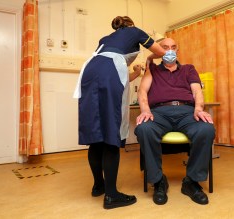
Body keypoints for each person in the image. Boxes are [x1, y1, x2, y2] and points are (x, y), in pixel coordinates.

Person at [73, 16, 166, 210]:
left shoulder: (105, 40)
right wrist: (152, 56)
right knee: (111, 131)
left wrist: (136, 72)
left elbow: (120, 76)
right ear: (130, 24)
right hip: (109, 72)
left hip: (90, 72)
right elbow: (159, 51)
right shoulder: (136, 32)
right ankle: (112, 195)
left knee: (97, 133)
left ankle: (98, 185)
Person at [134, 38, 215, 205]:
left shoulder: (188, 69)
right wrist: (145, 111)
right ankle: (158, 181)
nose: (169, 50)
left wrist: (199, 108)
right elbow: (142, 92)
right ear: (159, 51)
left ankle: (191, 182)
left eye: (173, 47)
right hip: (159, 113)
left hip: (186, 111)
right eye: (164, 48)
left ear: (177, 50)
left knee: (206, 129)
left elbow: (197, 91)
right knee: (144, 129)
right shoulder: (153, 70)